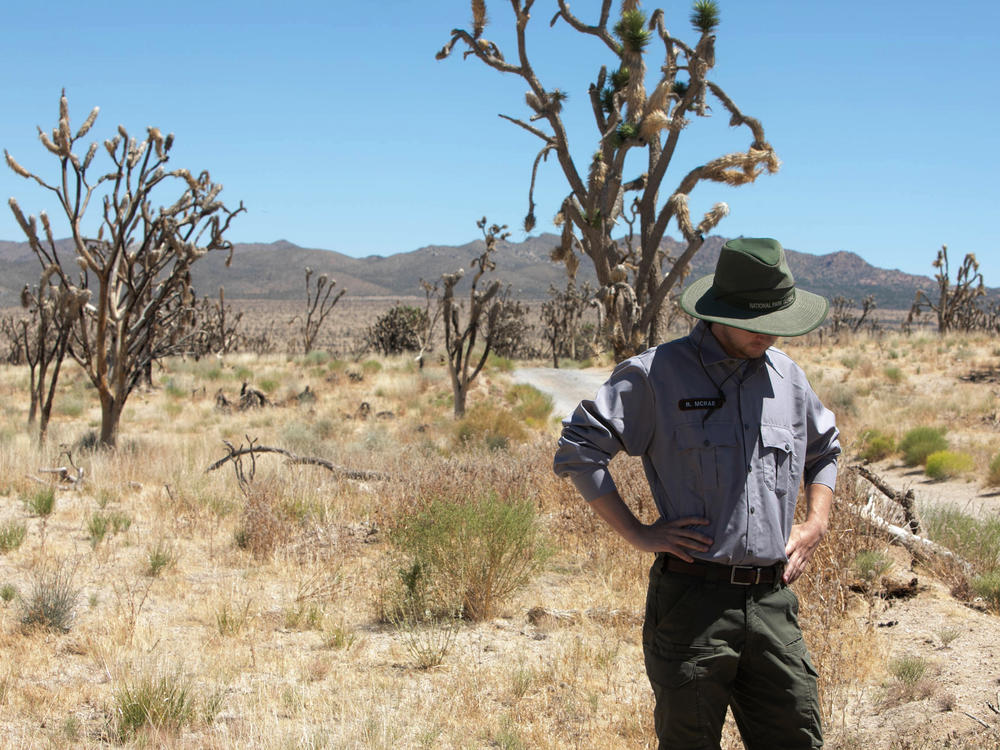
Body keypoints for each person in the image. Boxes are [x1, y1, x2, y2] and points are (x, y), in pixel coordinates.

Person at [554, 237, 840, 749]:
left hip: (773, 600)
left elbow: (826, 450)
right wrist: (640, 534)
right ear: (720, 312)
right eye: (758, 323)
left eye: (779, 321)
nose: (771, 335)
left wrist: (816, 522)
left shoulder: (789, 379)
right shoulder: (655, 375)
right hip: (692, 602)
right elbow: (579, 449)